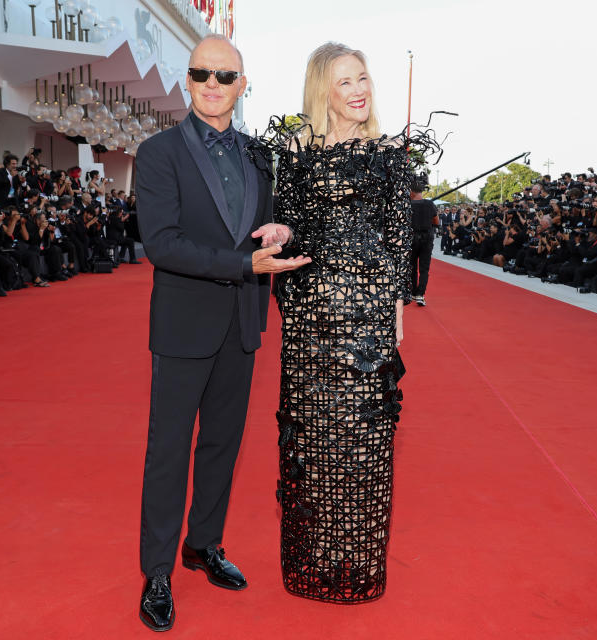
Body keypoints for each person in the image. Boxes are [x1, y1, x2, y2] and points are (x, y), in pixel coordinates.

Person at [134, 34, 310, 632]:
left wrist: (279, 232)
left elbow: (267, 223)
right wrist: (242, 265)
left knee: (222, 446)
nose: (213, 84)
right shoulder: (158, 153)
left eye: (225, 76)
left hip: (242, 323)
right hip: (185, 323)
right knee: (168, 452)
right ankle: (157, 571)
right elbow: (161, 243)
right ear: (187, 80)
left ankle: (202, 543)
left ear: (242, 83)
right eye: (201, 74)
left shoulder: (262, 155)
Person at [263, 41, 418, 603]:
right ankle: (317, 555)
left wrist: (396, 309)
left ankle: (356, 554)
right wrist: (282, 234)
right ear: (322, 89)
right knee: (315, 435)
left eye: (363, 79)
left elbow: (399, 239)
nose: (358, 90)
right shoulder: (299, 151)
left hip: (368, 317)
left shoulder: (388, 156)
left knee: (366, 437)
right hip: (311, 318)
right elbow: (291, 223)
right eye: (345, 81)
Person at [408, 179, 437, 306]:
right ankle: (420, 294)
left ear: (411, 192)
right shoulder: (430, 204)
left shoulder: (407, 205)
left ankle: (413, 292)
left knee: (412, 267)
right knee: (424, 268)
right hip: (427, 238)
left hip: (412, 238)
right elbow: (436, 222)